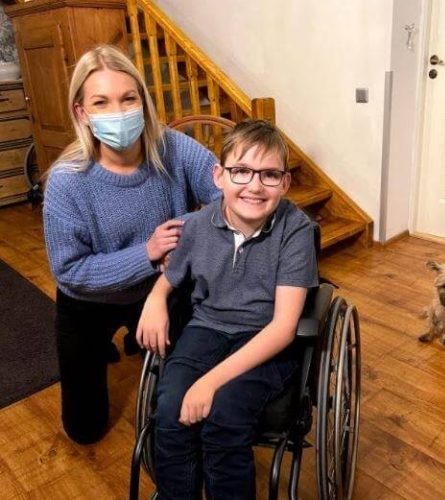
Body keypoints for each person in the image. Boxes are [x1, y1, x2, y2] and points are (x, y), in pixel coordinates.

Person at [42, 44, 221, 445]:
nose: (118, 111)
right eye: (101, 102)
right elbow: (69, 270)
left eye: (128, 98)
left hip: (161, 289)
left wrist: (181, 232)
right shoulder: (67, 181)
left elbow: (228, 197)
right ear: (81, 113)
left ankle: (139, 339)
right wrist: (148, 252)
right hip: (88, 302)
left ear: (143, 100)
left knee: (181, 406)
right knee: (83, 430)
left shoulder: (173, 147)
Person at [137, 120, 319, 500]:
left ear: (285, 183)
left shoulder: (295, 230)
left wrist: (209, 383)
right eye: (241, 171)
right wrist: (156, 298)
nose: (255, 186)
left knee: (225, 419)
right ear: (219, 176)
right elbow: (171, 275)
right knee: (169, 410)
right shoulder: (197, 225)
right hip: (207, 327)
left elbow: (283, 327)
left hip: (265, 338)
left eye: (270, 175)